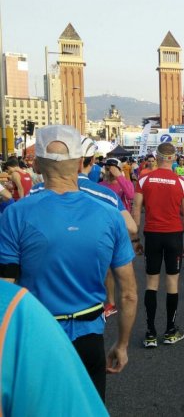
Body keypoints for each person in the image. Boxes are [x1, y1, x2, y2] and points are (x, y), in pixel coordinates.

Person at [0, 125, 138, 399]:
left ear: (36, 164)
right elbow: (129, 293)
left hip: (36, 335)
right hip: (89, 337)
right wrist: (122, 345)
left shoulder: (15, 214)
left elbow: (5, 290)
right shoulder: (110, 215)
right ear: (79, 163)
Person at [0, 281, 109, 415]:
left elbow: (8, 278)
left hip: (38, 333)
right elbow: (128, 295)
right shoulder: (18, 306)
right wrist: (122, 344)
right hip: (88, 334)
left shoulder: (13, 305)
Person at [132, 142, 184, 348]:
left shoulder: (144, 179)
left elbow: (135, 211)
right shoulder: (182, 182)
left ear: (156, 158)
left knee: (151, 283)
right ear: (174, 158)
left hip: (152, 234)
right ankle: (170, 330)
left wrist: (135, 240)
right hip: (174, 234)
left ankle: (150, 333)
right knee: (172, 283)